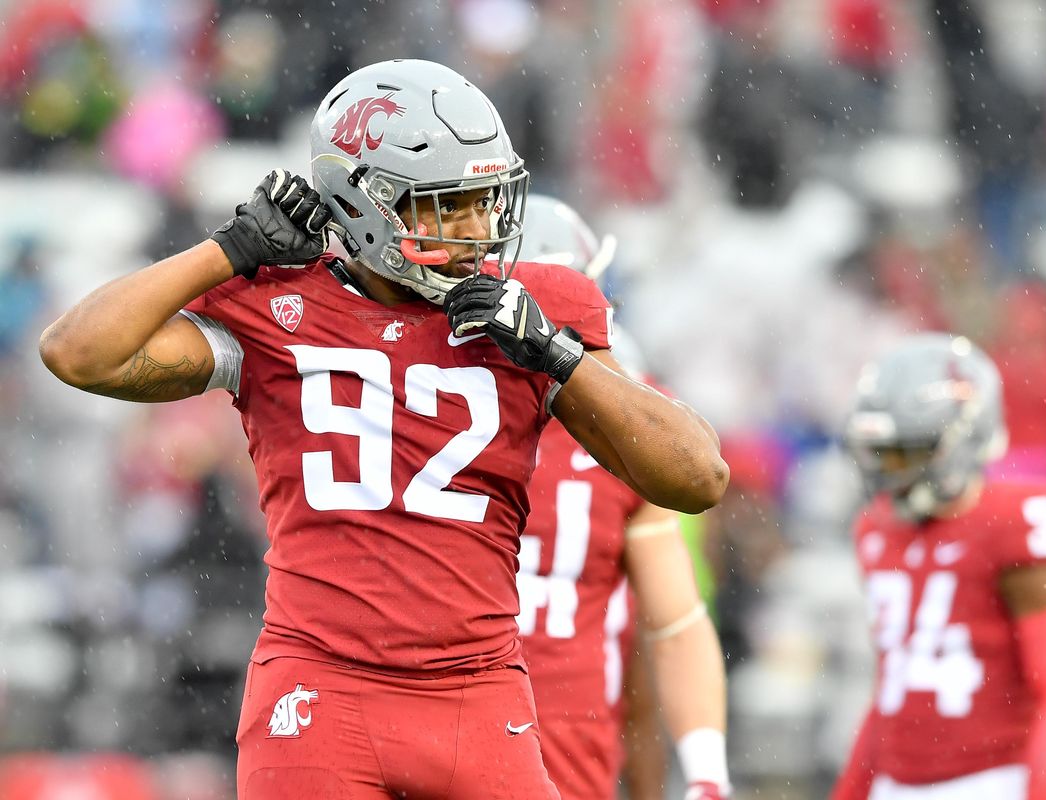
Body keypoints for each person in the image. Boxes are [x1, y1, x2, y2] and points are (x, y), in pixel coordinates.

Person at [39, 59, 729, 800]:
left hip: (478, 690)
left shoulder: (534, 307)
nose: (480, 229)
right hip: (321, 688)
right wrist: (227, 252)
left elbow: (698, 479)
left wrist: (560, 357)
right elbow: (76, 353)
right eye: (450, 205)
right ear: (365, 205)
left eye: (486, 201)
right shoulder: (277, 306)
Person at [514, 195, 730, 800]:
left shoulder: (417, 391)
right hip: (559, 748)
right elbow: (676, 622)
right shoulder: (631, 423)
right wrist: (708, 776)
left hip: (438, 731)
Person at [832, 333, 1046, 800]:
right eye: (881, 454)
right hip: (895, 783)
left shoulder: (1018, 520)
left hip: (989, 781)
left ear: (960, 440)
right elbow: (894, 688)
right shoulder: (876, 531)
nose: (889, 471)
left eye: (907, 452)